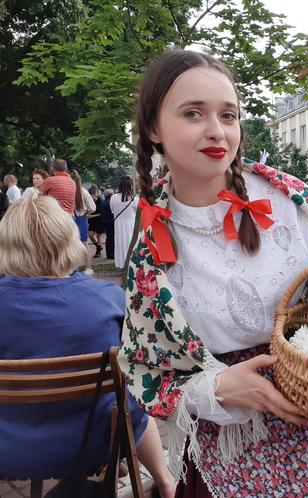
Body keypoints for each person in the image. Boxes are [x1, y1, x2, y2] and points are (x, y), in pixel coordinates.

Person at [119, 49, 308, 497]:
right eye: (192, 113)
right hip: (228, 446)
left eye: (228, 115)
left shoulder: (287, 196)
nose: (217, 131)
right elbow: (147, 369)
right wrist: (217, 389)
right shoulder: (149, 239)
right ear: (153, 128)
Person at [0, 196, 176, 498]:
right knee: (130, 399)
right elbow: (145, 361)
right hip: (99, 441)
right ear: (69, 240)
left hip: (10, 448)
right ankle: (166, 482)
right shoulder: (108, 298)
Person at [110, 176, 138, 269]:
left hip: (118, 224)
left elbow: (112, 210)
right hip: (131, 224)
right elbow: (137, 212)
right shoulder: (135, 199)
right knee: (131, 243)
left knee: (120, 244)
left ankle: (122, 264)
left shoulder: (113, 197)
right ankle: (131, 264)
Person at [70, 169, 96, 243]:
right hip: (80, 218)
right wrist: (85, 212)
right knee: (82, 244)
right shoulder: (83, 191)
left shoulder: (65, 190)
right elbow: (92, 208)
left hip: (68, 218)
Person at [88, 186, 105, 258]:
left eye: (93, 194)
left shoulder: (100, 201)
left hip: (99, 221)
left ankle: (98, 253)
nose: (92, 196)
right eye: (90, 194)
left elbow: (102, 213)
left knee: (99, 236)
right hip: (92, 221)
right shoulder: (88, 201)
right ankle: (98, 247)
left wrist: (92, 215)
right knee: (90, 235)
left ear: (95, 194)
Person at [100, 188, 115, 259]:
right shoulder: (110, 202)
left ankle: (109, 253)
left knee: (108, 238)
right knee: (112, 238)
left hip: (105, 222)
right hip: (111, 222)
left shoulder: (103, 202)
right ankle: (112, 254)